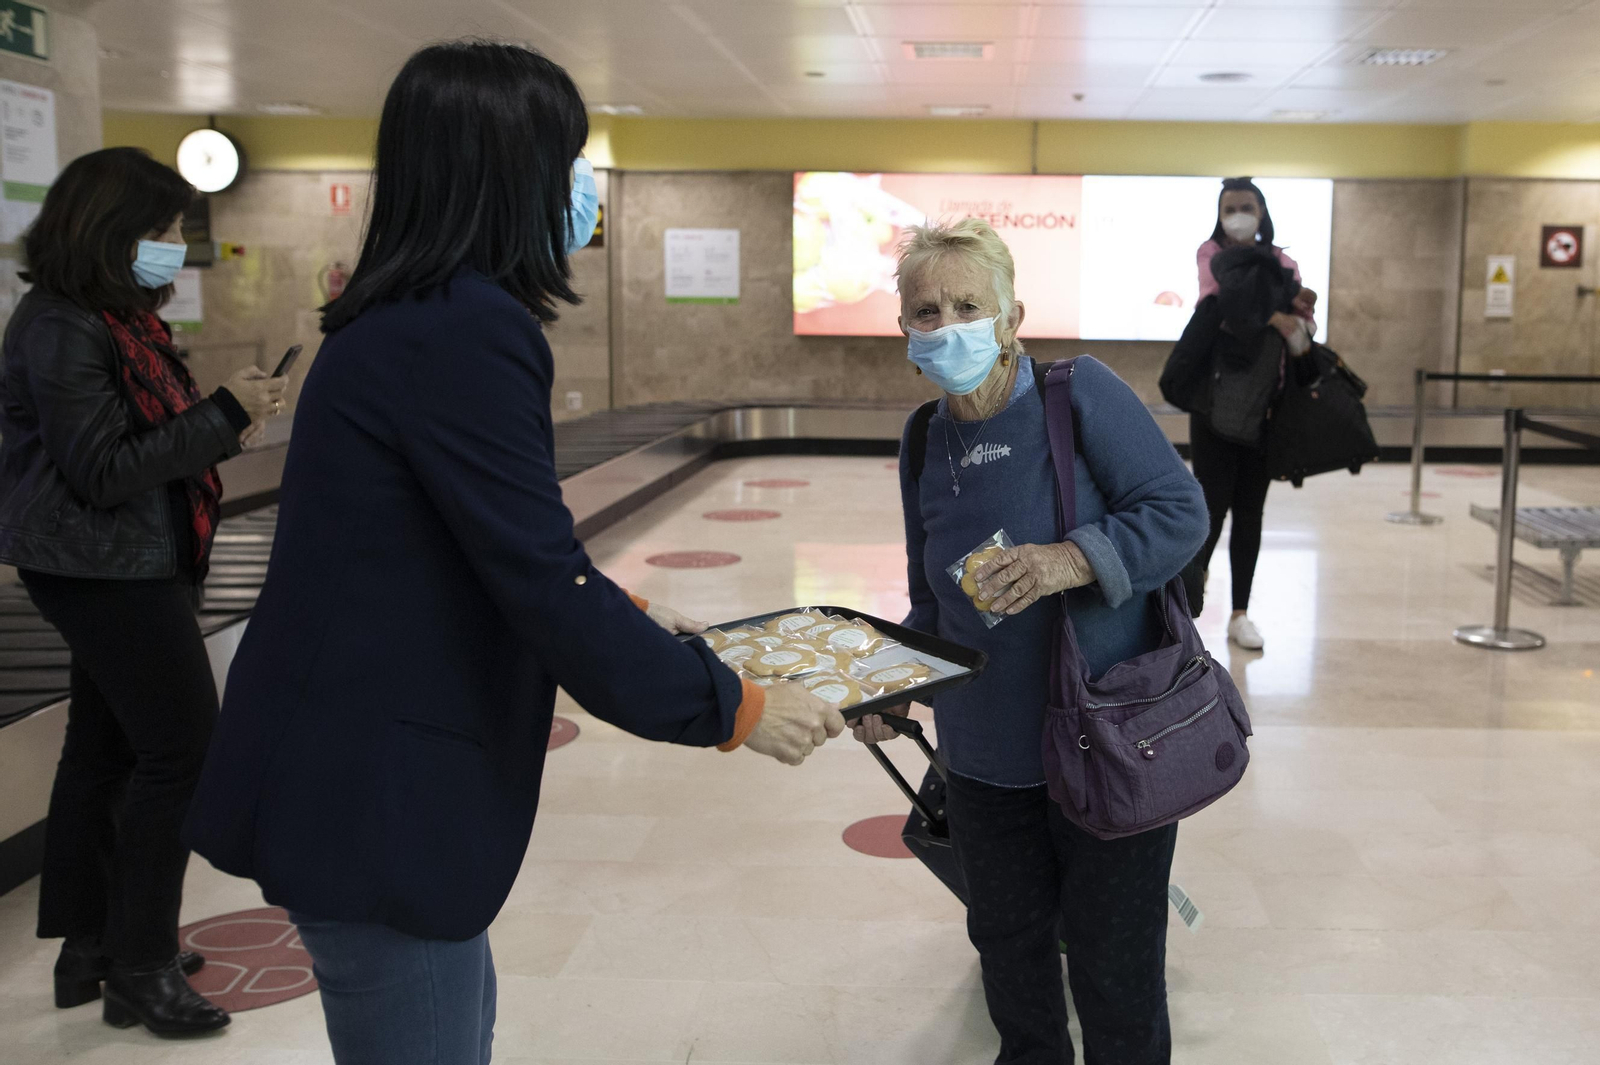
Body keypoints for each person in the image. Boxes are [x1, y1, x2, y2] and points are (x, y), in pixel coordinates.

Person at [182, 40, 844, 1065]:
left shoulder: (402, 318)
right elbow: (537, 578)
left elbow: (483, 553)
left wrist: (626, 616)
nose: (582, 188)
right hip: (376, 800)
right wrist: (735, 708)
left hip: (346, 778)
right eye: (569, 158)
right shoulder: (464, 330)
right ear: (505, 169)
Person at [855, 218, 1208, 1065]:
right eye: (926, 310)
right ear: (904, 329)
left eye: (969, 305)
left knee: (1115, 970)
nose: (947, 326)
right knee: (1010, 957)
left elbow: (1178, 512)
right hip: (982, 760)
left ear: (1013, 316)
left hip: (1108, 742)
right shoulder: (921, 440)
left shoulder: (1075, 393)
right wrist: (890, 679)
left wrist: (1068, 559)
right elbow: (929, 597)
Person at [0, 147, 288, 1035]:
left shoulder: (114, 317)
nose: (173, 246)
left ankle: (91, 946)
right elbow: (101, 470)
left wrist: (224, 417)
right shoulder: (62, 326)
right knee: (181, 752)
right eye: (161, 230)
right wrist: (226, 416)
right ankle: (143, 963)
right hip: (103, 565)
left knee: (106, 747)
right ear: (110, 229)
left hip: (123, 559)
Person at [1188, 178, 1316, 651]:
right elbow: (1222, 302)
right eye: (1230, 208)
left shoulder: (1284, 262)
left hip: (1267, 406)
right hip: (1215, 406)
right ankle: (1187, 607)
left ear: (1262, 213)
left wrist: (1296, 315)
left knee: (1250, 513)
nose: (1238, 215)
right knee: (1209, 511)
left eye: (1246, 207)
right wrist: (1275, 314)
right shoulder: (1211, 253)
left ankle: (1240, 613)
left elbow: (1301, 324)